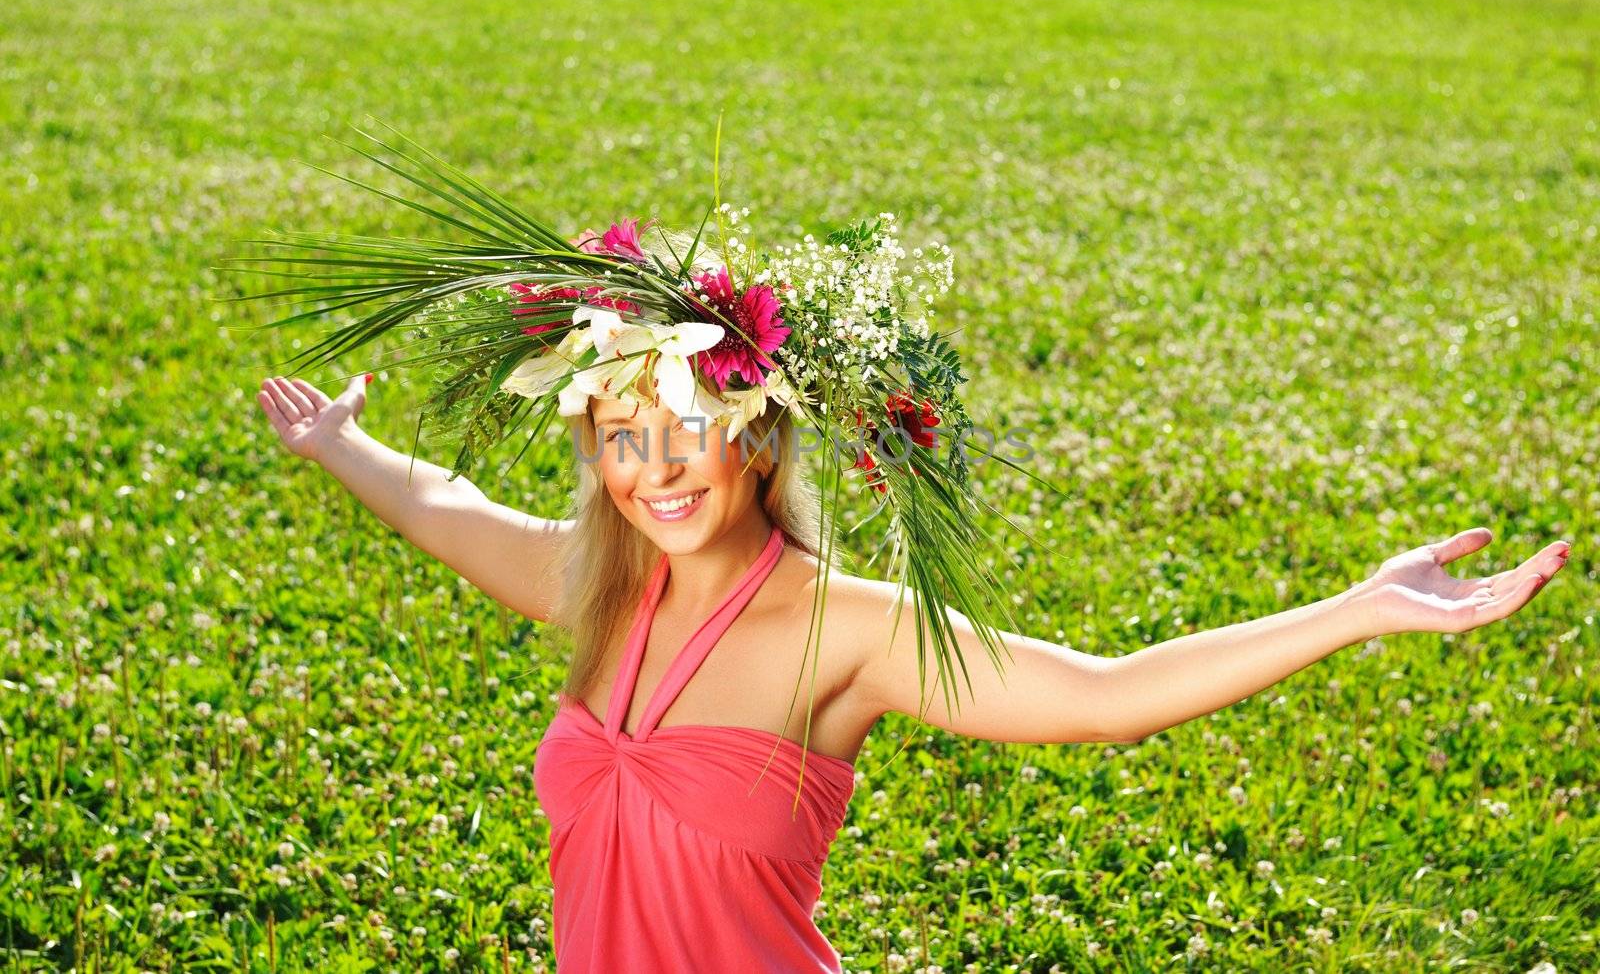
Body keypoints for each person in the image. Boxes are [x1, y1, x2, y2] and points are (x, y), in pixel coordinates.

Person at [257, 369, 1570, 972]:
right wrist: (337, 448)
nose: (654, 470)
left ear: (758, 442)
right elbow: (440, 501)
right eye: (621, 439)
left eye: (689, 434)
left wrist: (1352, 609)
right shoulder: (594, 588)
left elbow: (1104, 698)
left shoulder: (853, 632)